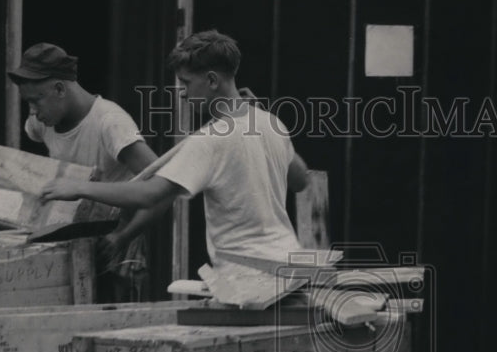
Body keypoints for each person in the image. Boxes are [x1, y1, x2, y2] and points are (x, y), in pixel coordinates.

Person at [39, 30, 309, 264]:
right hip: (285, 263)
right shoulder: (268, 121)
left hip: (244, 276)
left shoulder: (208, 139)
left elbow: (149, 195)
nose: (182, 92)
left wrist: (77, 188)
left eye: (187, 82)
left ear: (213, 81)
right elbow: (300, 179)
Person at [8, 42, 163, 299]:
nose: (32, 112)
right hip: (71, 241)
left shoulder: (110, 124)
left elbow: (164, 187)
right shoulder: (42, 123)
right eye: (27, 103)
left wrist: (123, 236)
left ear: (59, 88)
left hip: (115, 247)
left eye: (36, 101)